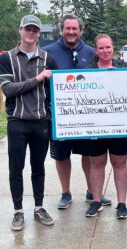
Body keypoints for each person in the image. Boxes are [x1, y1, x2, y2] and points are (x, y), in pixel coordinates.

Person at [44, 15, 111, 209]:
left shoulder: (91, 52)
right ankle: (65, 193)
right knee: (61, 156)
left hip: (86, 118)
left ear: (80, 30)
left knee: (89, 155)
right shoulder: (48, 52)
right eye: (67, 28)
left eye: (75, 28)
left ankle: (93, 192)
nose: (71, 32)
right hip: (58, 116)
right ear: (61, 30)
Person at [0, 15, 57, 231]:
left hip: (41, 122)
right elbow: (8, 89)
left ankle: (39, 207)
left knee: (38, 167)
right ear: (20, 30)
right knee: (16, 167)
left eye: (35, 30)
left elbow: (58, 89)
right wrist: (38, 79)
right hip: (17, 122)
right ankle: (18, 211)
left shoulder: (48, 59)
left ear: (39, 33)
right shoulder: (7, 58)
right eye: (27, 29)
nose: (31, 33)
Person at [85, 34, 127, 219]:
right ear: (96, 50)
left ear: (113, 48)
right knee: (96, 164)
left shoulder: (124, 68)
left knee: (119, 163)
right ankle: (96, 201)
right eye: (101, 48)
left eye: (108, 47)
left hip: (120, 125)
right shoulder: (87, 70)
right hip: (96, 126)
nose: (105, 51)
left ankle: (122, 203)